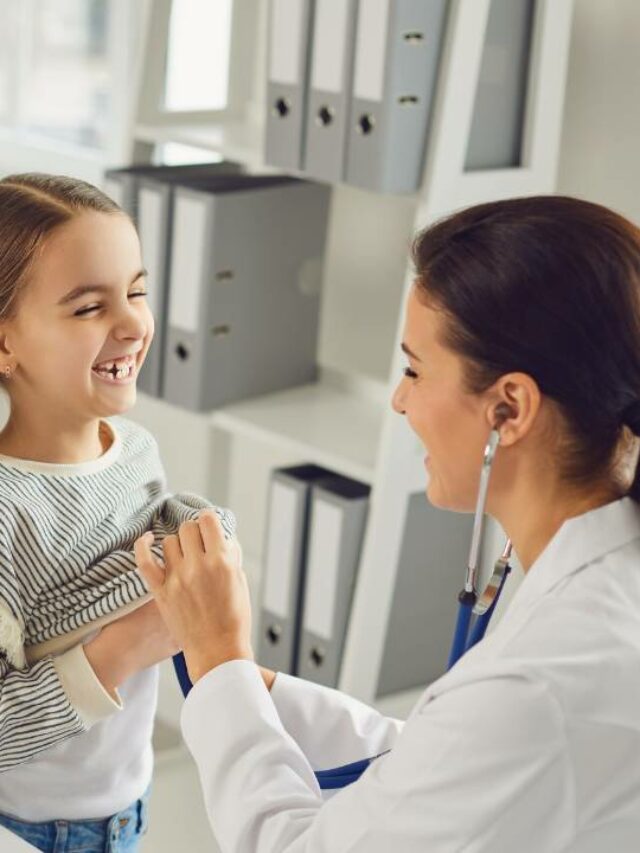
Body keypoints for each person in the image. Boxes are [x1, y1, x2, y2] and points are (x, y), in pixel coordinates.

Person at [136, 195, 640, 852]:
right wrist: (257, 691)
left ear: (508, 408)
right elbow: (436, 767)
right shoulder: (601, 579)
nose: (400, 401)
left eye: (413, 368)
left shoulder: (544, 679)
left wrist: (218, 661)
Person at [0, 173, 235, 852]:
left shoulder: (135, 450)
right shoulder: (9, 514)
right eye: (87, 308)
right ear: (5, 343)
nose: (133, 323)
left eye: (135, 291)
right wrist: (129, 642)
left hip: (126, 805)